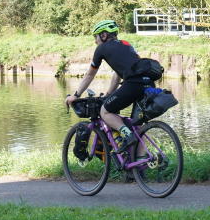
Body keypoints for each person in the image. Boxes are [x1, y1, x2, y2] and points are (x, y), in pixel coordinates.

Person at [64, 19, 154, 153]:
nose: (95, 41)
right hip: (149, 84)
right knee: (137, 126)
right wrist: (108, 95)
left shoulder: (101, 48)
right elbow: (118, 74)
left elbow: (90, 75)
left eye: (96, 36)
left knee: (104, 111)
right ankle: (140, 165)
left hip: (133, 84)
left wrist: (75, 95)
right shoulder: (126, 45)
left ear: (104, 35)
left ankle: (127, 135)